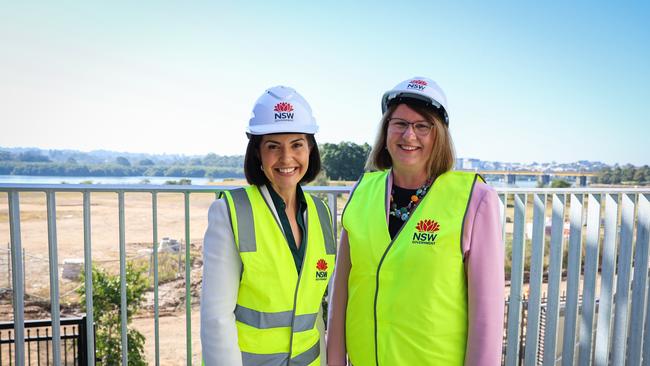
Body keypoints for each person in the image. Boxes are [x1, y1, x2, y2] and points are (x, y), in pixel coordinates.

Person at [326, 77, 504, 365]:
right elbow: (341, 292)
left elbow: (487, 315)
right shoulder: (362, 191)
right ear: (386, 131)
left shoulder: (475, 199)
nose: (409, 135)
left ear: (440, 135)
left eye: (422, 126)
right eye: (400, 124)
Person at [201, 85, 336, 366]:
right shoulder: (230, 212)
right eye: (273, 146)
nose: (286, 158)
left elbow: (316, 314)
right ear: (258, 154)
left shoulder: (321, 214)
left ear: (310, 149)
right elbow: (216, 318)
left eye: (297, 144)